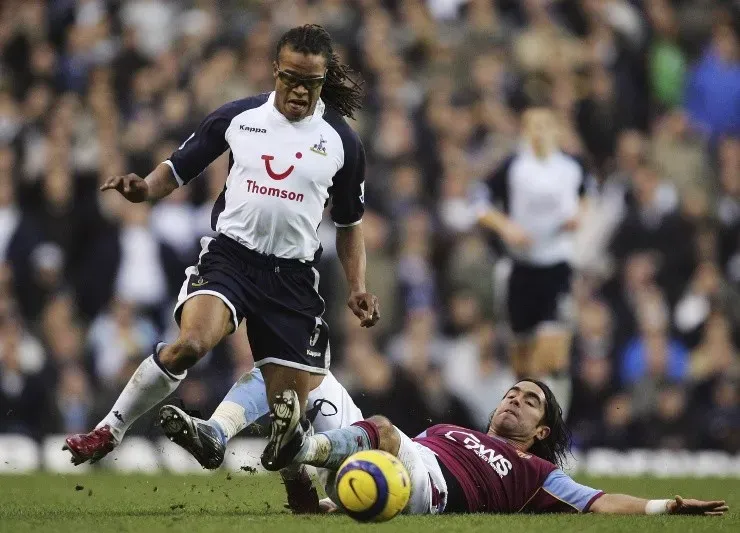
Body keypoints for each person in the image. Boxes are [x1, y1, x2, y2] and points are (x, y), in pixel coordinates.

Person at [62, 24, 380, 472]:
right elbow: (179, 167)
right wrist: (144, 189)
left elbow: (350, 224)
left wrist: (358, 286)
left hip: (291, 279)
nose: (299, 91)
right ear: (274, 71)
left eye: (310, 83)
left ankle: (295, 488)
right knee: (190, 343)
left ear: (323, 81)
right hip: (231, 257)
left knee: (287, 411)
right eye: (290, 78)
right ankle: (109, 429)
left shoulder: (342, 141)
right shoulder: (239, 117)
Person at [263, 379, 728, 516]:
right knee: (306, 375)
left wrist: (666, 506)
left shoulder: (537, 473)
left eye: (531, 402)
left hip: (433, 487)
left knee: (382, 429)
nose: (515, 401)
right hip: (401, 466)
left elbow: (600, 501)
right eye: (512, 393)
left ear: (541, 431)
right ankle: (273, 454)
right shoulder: (451, 429)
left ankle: (299, 449)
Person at [158, 320, 364, 513]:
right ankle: (292, 466)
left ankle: (220, 430)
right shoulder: (225, 374)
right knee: (287, 377)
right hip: (349, 483)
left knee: (285, 371)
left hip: (356, 472)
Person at [474, 107, 589, 417]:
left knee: (551, 356)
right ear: (525, 131)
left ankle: (556, 426)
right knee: (522, 365)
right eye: (533, 126)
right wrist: (505, 227)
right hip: (521, 270)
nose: (539, 132)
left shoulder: (570, 167)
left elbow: (586, 194)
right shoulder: (514, 167)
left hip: (556, 267)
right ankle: (525, 431)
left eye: (545, 125)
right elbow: (479, 201)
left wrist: (579, 216)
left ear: (556, 129)